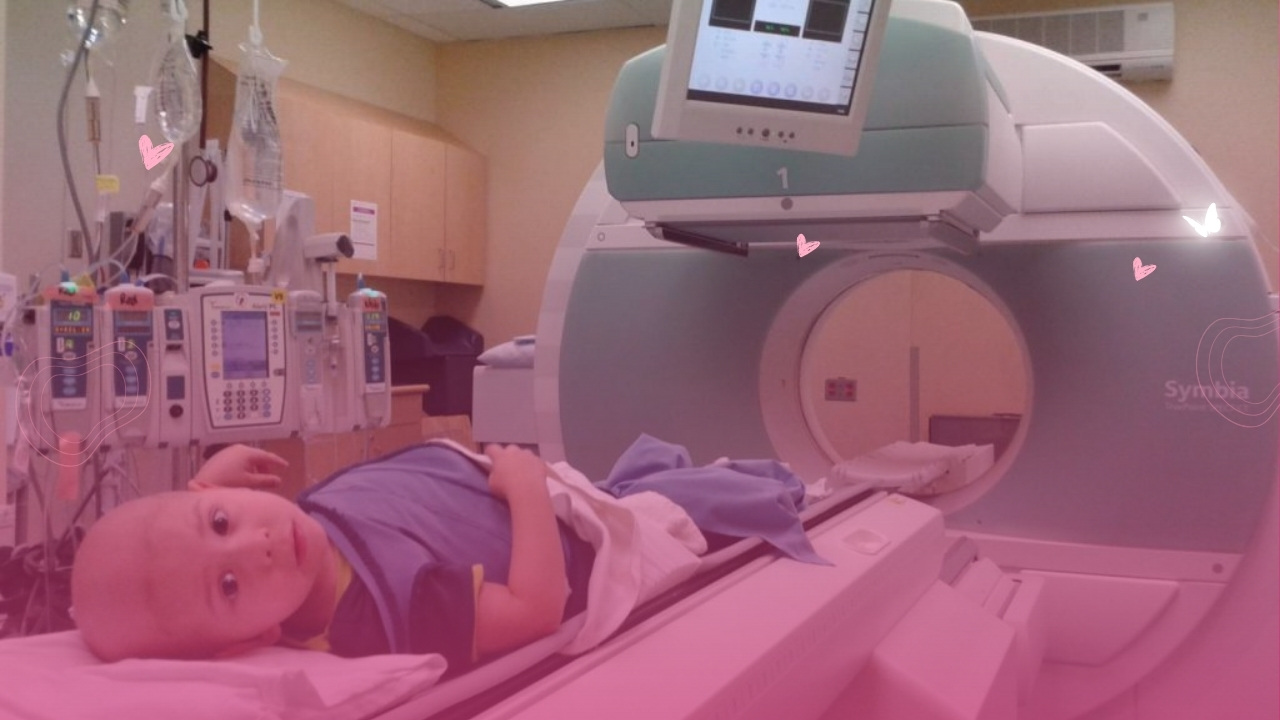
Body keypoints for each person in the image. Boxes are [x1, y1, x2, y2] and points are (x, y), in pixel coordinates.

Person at [70, 441, 594, 673]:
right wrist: (526, 485)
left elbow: (199, 552)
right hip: (574, 531)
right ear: (249, 641)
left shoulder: (301, 542)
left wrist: (210, 488)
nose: (258, 545)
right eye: (229, 585)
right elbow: (534, 609)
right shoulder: (395, 613)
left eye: (220, 522)